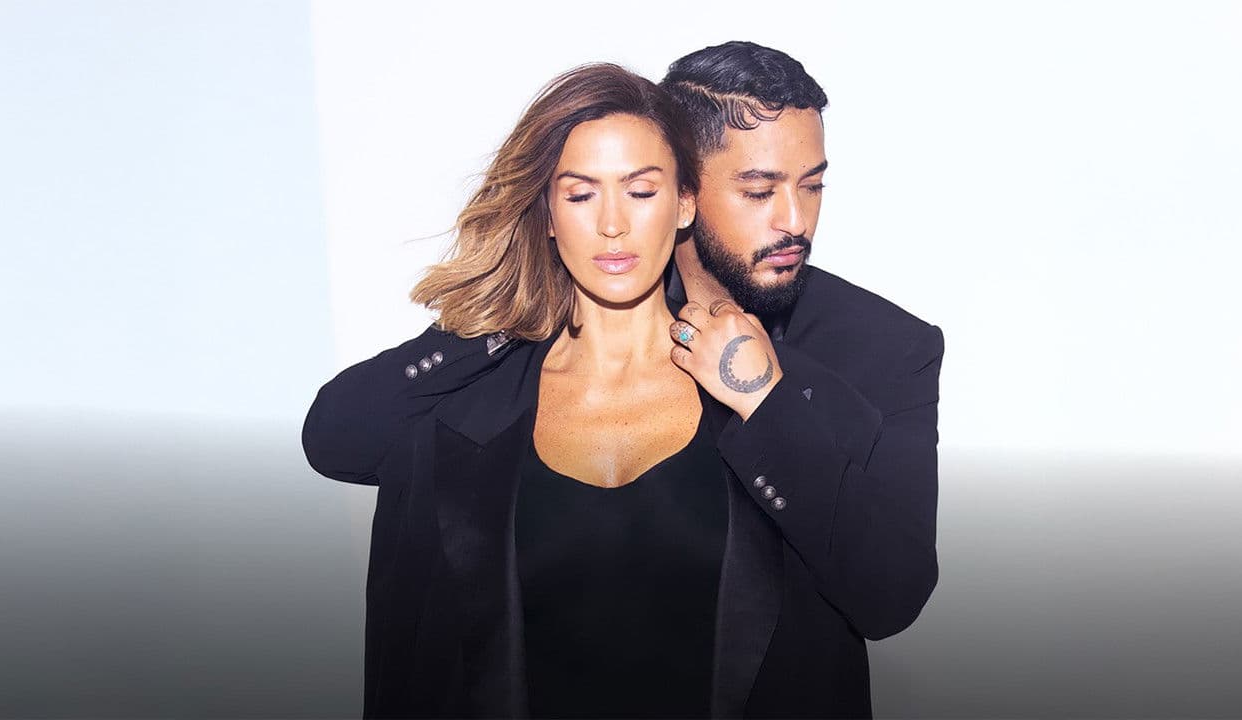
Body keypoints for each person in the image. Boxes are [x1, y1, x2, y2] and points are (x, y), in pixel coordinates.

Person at [304, 63, 747, 718]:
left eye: (640, 190)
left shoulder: (750, 389)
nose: (613, 224)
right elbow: (335, 438)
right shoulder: (475, 401)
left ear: (684, 203)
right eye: (580, 195)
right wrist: (495, 321)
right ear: (546, 213)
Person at [654, 41, 947, 716]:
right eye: (760, 191)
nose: (796, 220)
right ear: (682, 192)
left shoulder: (888, 346)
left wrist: (767, 400)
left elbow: (892, 596)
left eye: (812, 186)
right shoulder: (600, 323)